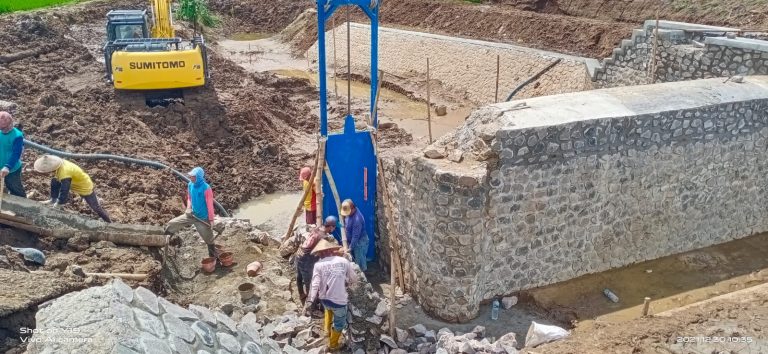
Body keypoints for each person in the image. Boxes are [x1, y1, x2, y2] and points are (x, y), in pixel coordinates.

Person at [304, 239, 358, 351]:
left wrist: (310, 300)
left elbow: (314, 284)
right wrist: (345, 281)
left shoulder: (318, 265)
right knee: (339, 323)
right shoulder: (343, 261)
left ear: (320, 253)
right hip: (339, 301)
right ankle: (333, 345)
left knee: (328, 310)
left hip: (324, 299)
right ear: (331, 250)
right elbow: (354, 279)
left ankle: (327, 331)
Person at [33, 155, 111, 222]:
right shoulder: (59, 164)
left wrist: (59, 204)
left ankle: (109, 222)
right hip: (74, 182)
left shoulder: (64, 173)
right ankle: (53, 199)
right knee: (54, 181)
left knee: (95, 207)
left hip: (84, 186)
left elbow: (64, 191)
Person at [165, 167, 217, 258]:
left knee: (209, 239)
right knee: (172, 224)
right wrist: (188, 208)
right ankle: (163, 243)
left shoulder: (206, 188)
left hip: (202, 218)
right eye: (191, 176)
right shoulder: (190, 184)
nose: (191, 178)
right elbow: (189, 198)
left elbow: (210, 205)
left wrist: (211, 220)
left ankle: (213, 258)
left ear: (199, 177)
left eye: (193, 176)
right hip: (191, 214)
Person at [297, 216, 338, 303]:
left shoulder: (318, 229)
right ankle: (311, 307)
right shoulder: (322, 237)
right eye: (334, 227)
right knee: (310, 283)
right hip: (306, 259)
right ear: (331, 227)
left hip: (299, 254)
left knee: (299, 277)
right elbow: (325, 254)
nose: (334, 229)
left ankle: (301, 294)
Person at [0, 111, 26, 198]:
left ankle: (22, 207)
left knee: (15, 189)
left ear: (10, 124)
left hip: (12, 170)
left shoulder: (17, 136)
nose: (2, 129)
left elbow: (16, 154)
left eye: (3, 127)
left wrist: (7, 166)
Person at [341, 199, 369, 272]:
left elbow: (355, 236)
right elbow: (345, 221)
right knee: (356, 260)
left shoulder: (357, 219)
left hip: (360, 242)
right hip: (353, 240)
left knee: (359, 262)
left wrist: (350, 248)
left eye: (348, 212)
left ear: (353, 209)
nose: (347, 214)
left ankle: (362, 279)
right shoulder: (350, 212)